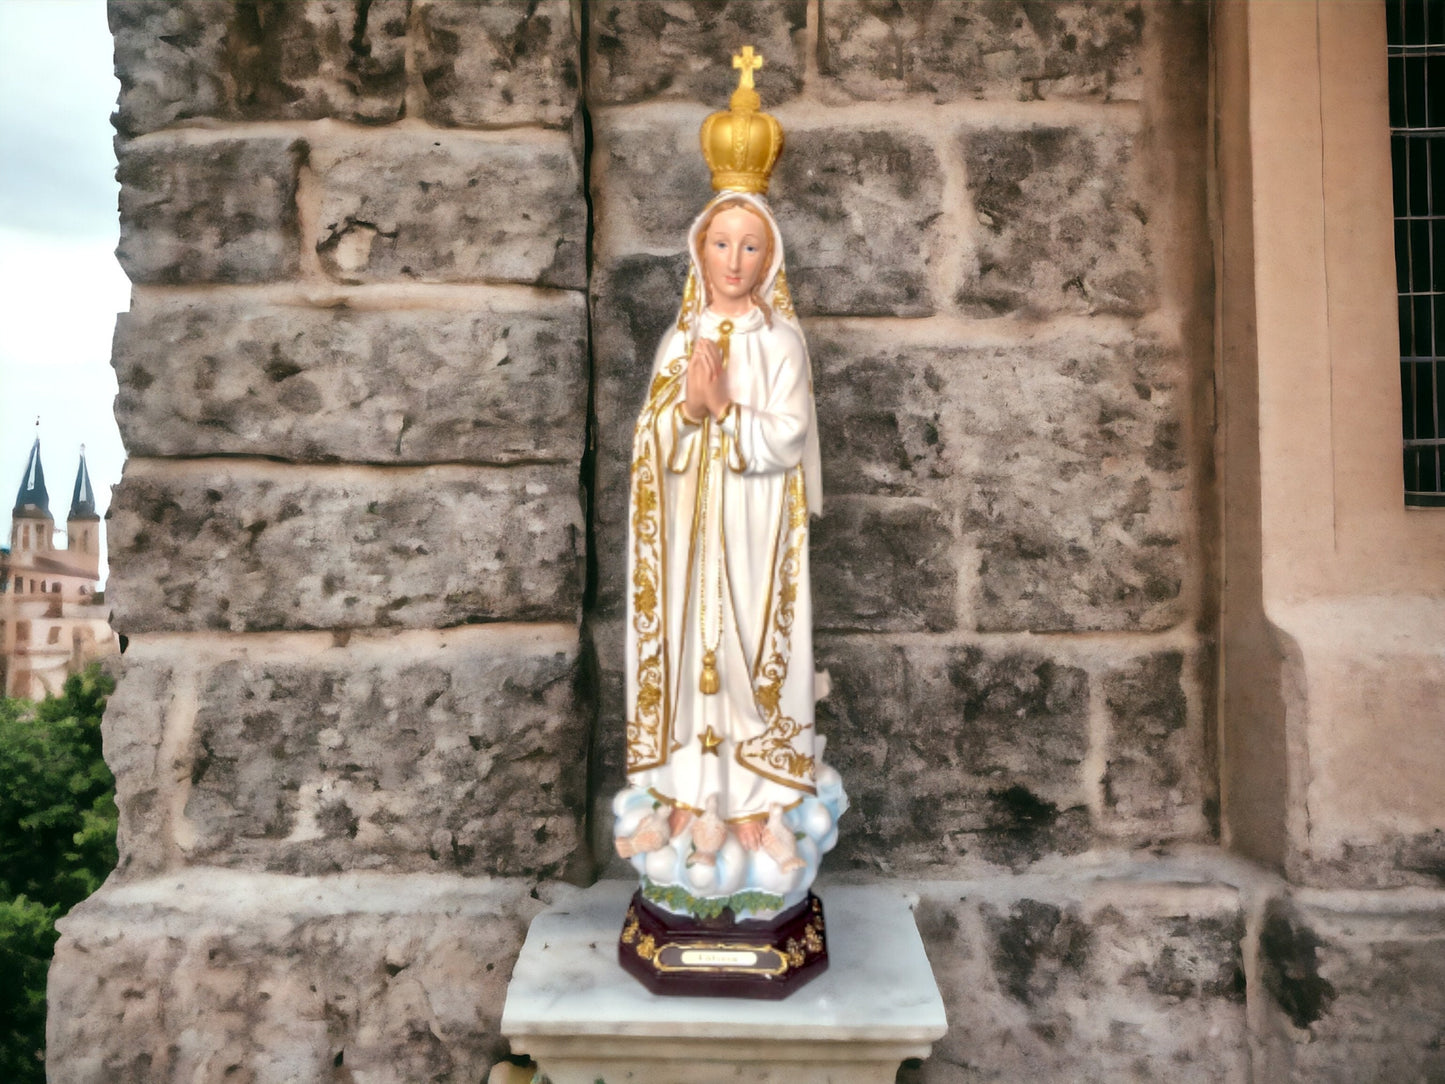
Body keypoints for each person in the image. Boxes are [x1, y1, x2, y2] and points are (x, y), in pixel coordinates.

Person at [613, 50, 845, 916]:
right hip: (685, 535)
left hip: (753, 533)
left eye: (750, 245)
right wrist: (688, 410)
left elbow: (787, 438)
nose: (734, 259)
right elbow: (650, 441)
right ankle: (683, 795)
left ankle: (754, 801)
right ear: (698, 246)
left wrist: (725, 414)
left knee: (750, 657)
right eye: (721, 242)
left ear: (768, 254)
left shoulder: (780, 344)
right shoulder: (680, 343)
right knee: (684, 652)